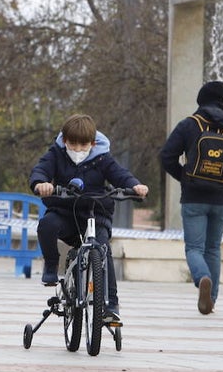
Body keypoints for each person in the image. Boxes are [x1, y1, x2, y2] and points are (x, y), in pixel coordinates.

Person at [29, 113, 148, 322]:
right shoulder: (56, 153)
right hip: (65, 213)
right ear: (65, 140)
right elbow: (41, 169)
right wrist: (41, 183)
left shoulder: (102, 158)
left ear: (92, 143)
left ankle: (110, 305)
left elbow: (120, 174)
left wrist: (134, 186)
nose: (77, 150)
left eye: (83, 145)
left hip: (95, 214)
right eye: (72, 144)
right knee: (47, 225)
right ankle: (50, 264)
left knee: (103, 253)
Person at [160, 80, 223, 315]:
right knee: (213, 247)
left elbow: (166, 156)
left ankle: (203, 278)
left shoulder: (189, 125)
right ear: (222, 102)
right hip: (222, 199)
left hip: (193, 196)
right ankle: (210, 299)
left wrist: (184, 177)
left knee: (194, 247)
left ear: (200, 101)